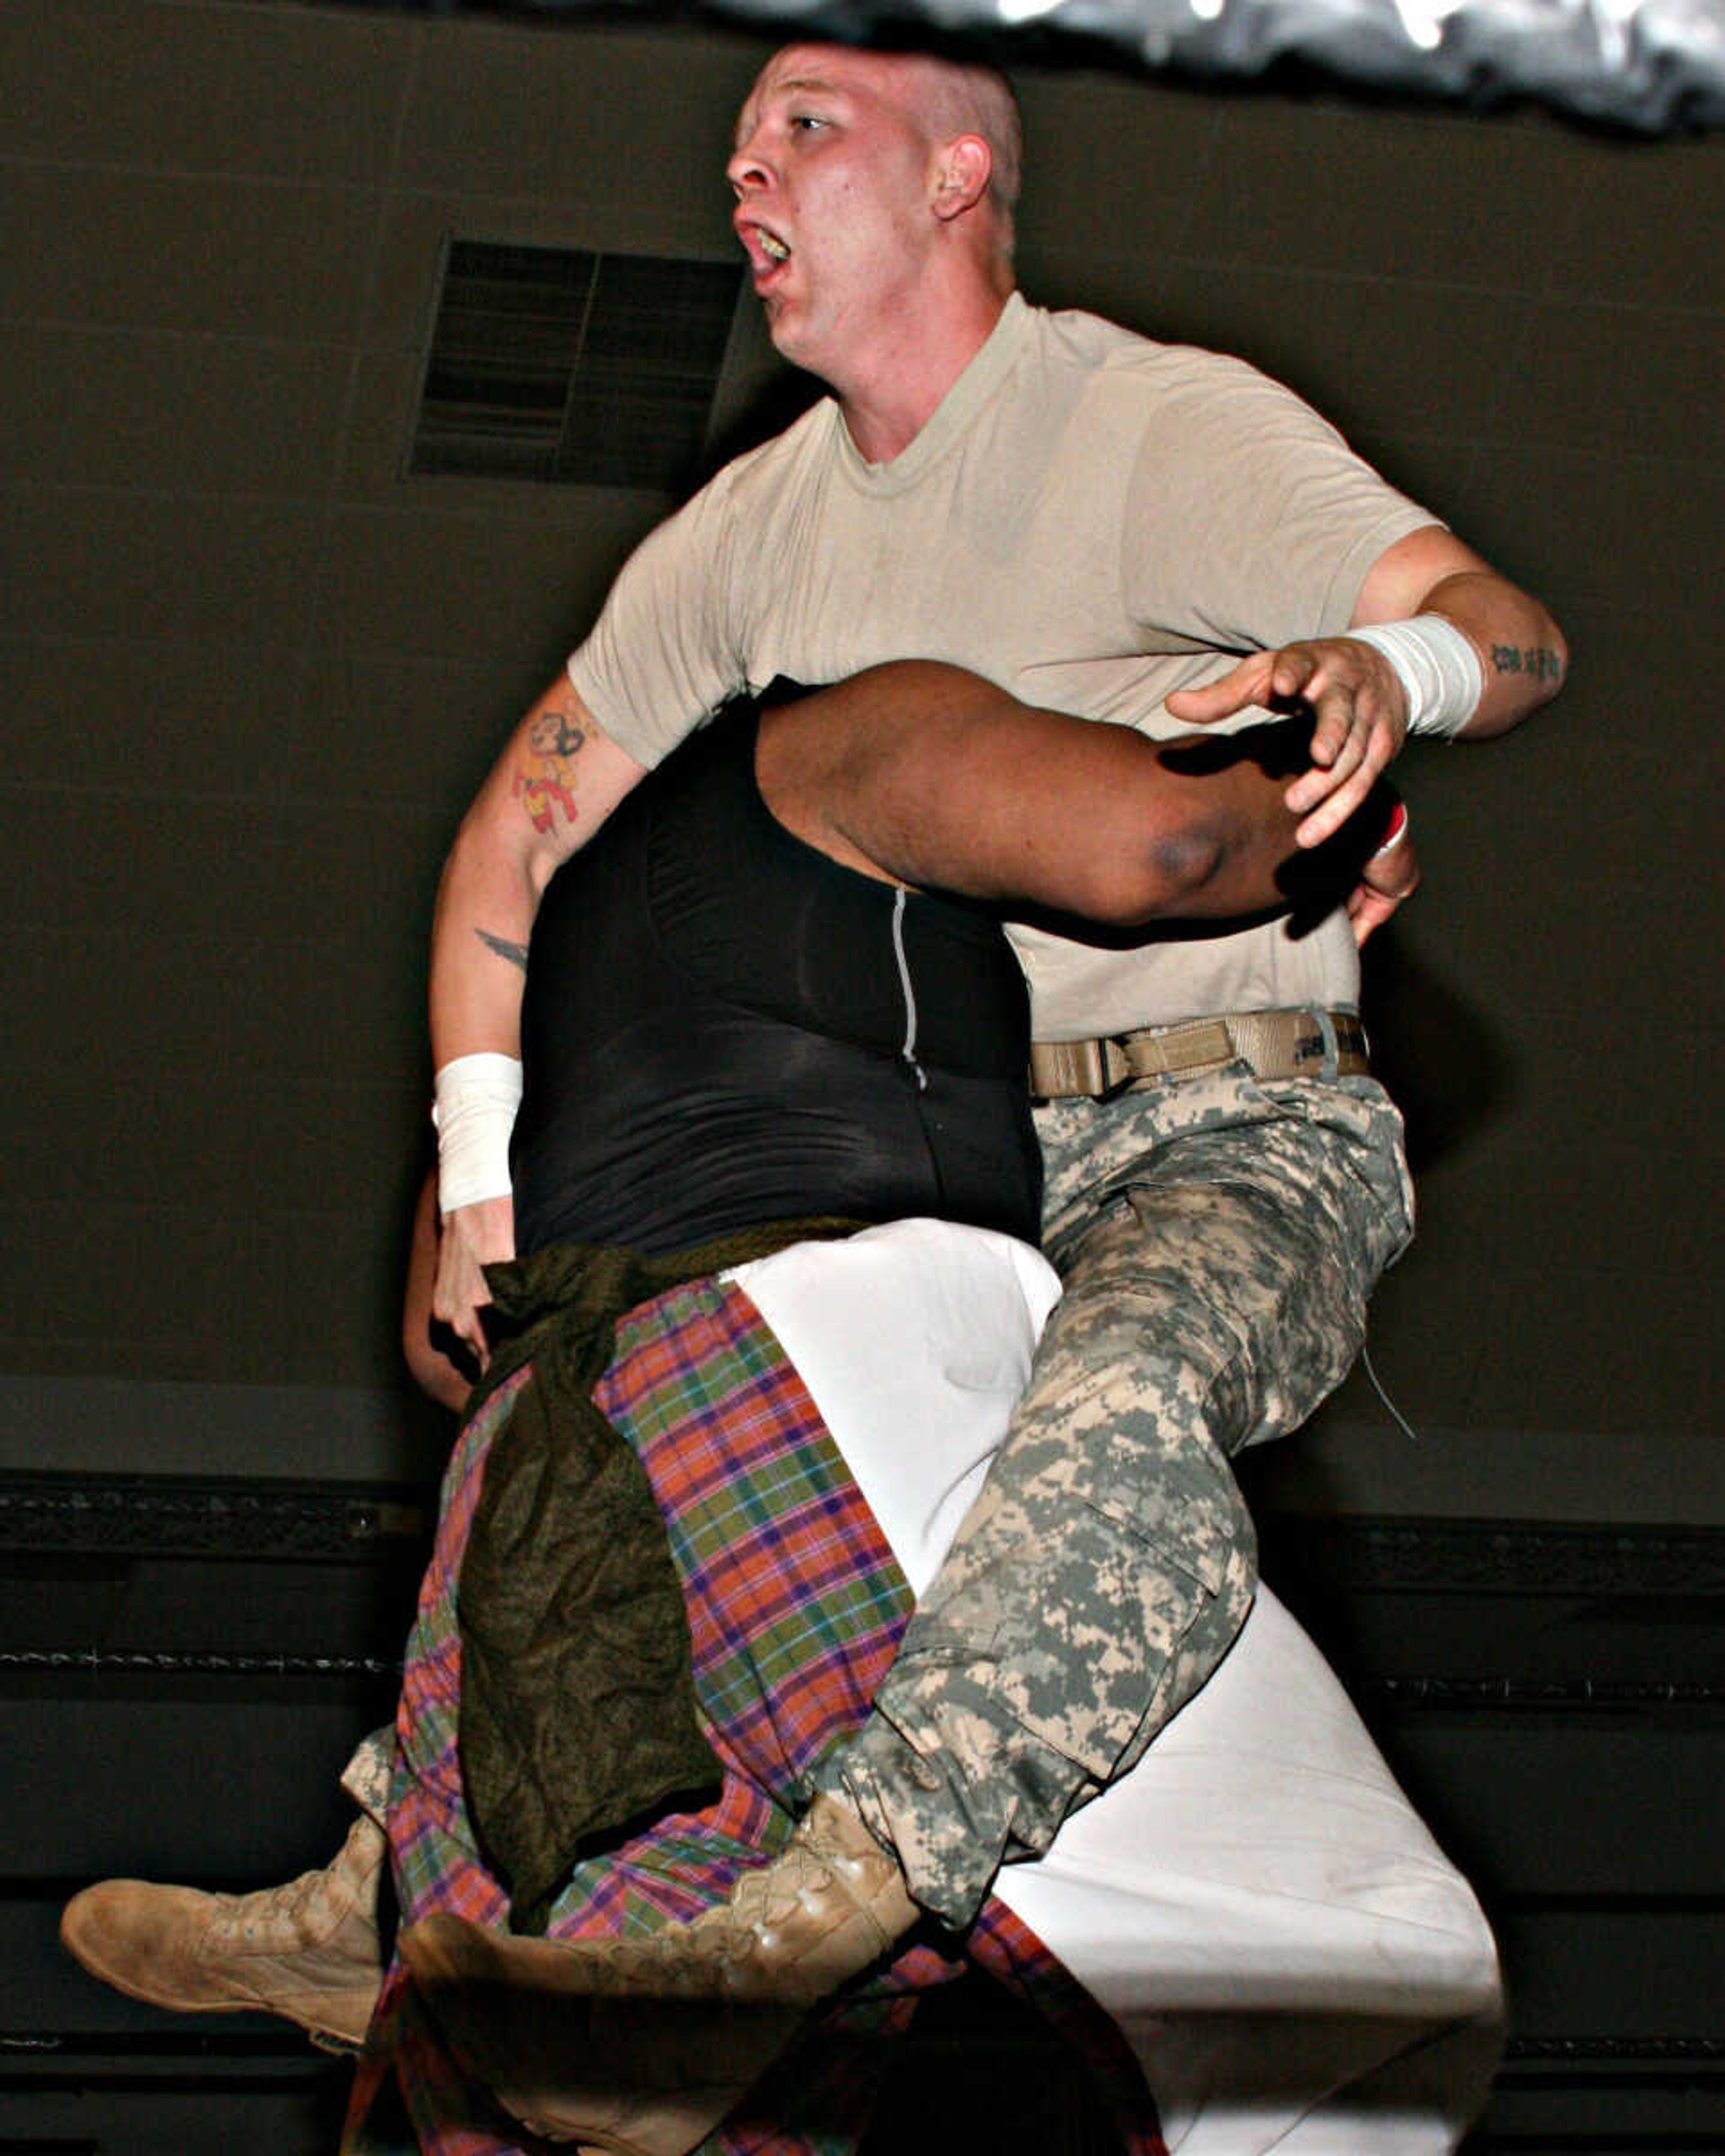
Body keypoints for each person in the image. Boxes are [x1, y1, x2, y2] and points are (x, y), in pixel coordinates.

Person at [412, 33, 1565, 2118]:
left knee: (1130, 1390)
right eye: (742, 135)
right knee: (629, 1368)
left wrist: (1384, 674)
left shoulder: (1149, 427)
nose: (742, 168)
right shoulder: (741, 542)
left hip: (1230, 1125)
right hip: (956, 1166)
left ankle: (854, 1893)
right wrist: (476, 1160)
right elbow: (522, 828)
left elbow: (1513, 631)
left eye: (804, 128)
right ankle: (389, 1862)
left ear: (957, 179)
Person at [61, 674, 1488, 2153]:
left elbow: (447, 1328)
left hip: (590, 1464)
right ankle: (815, 1892)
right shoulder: (815, 755)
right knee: (1381, 1968)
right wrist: (1343, 817)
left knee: (622, 2027)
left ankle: (399, 1877)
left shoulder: (553, 946)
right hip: (813, 1355)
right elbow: (1174, 848)